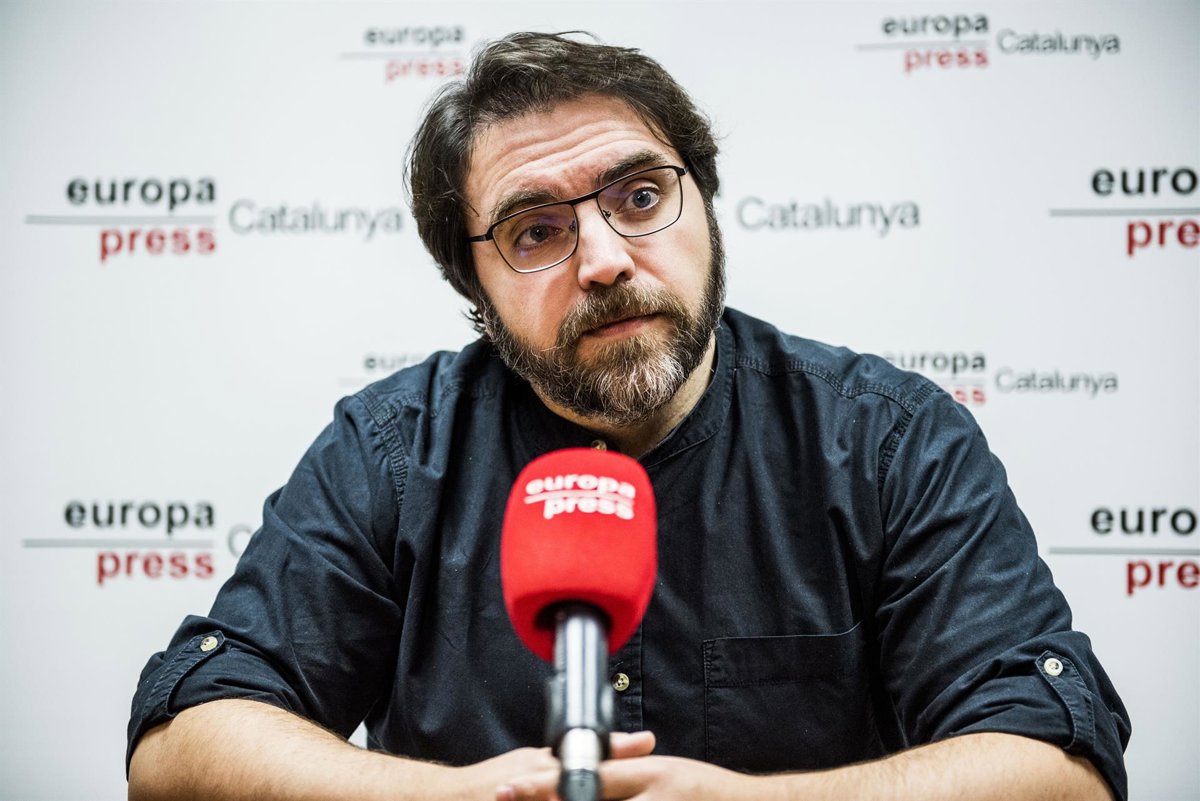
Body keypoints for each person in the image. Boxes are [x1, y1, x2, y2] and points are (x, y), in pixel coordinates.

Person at [126, 31, 1130, 801]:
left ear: (707, 205)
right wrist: (449, 797)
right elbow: (180, 745)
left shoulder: (887, 440)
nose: (605, 260)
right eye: (536, 231)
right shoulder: (391, 451)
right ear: (473, 288)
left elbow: (1059, 764)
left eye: (642, 197)